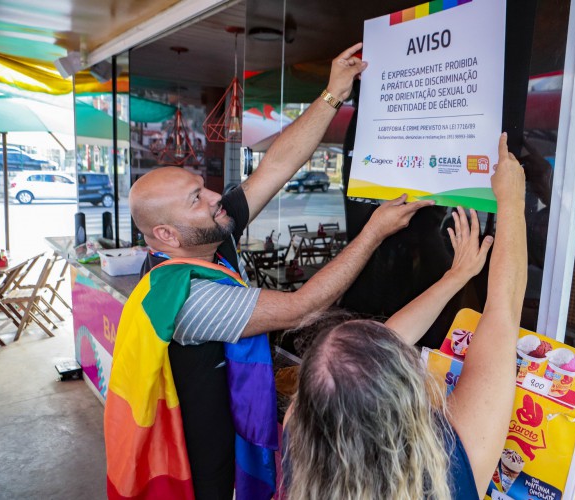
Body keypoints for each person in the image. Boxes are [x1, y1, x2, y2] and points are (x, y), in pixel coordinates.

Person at [104, 42, 435, 500]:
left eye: (203, 187)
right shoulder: (189, 298)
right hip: (203, 474)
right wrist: (375, 230)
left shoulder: (204, 238)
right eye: (196, 200)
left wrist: (334, 93)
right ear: (167, 235)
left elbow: (277, 165)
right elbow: (304, 308)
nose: (216, 198)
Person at [282, 133, 527, 499]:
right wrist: (512, 201)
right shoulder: (451, 470)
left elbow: (368, 359)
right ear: (409, 395)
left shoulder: (297, 439)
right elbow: (503, 312)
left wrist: (455, 277)